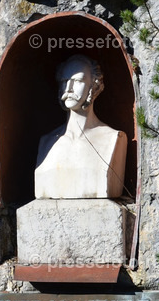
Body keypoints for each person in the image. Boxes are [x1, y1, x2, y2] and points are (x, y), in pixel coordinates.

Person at [34, 54, 127, 199]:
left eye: (78, 81)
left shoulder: (113, 138)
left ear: (94, 85)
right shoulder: (47, 142)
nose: (69, 89)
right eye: (65, 81)